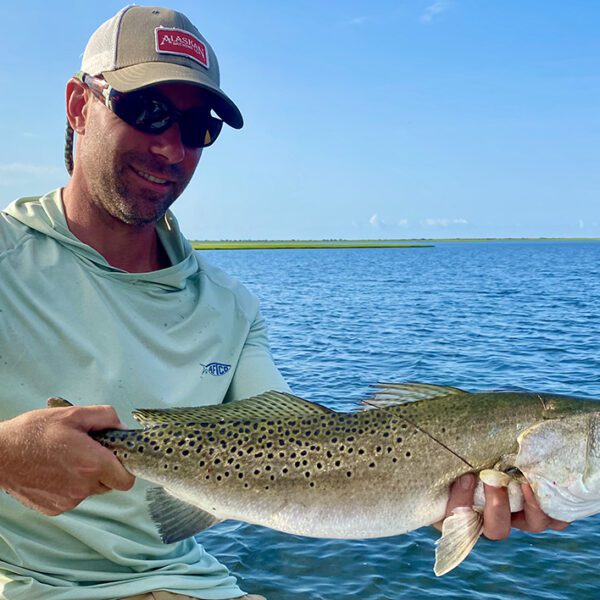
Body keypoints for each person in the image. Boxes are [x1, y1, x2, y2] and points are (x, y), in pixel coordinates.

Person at [0, 5, 568, 600]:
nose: (172, 149)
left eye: (198, 128)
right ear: (76, 106)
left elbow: (305, 448)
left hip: (191, 584)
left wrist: (439, 494)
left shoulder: (229, 305)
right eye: (149, 111)